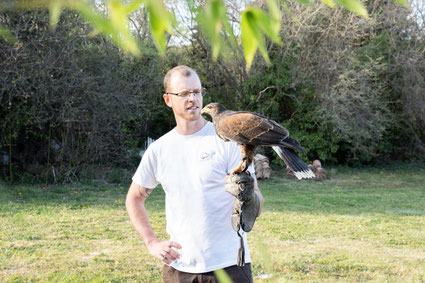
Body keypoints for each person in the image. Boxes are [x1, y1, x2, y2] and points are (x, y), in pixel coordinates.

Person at [126, 65, 264, 283]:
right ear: (168, 100)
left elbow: (257, 202)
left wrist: (249, 198)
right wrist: (152, 242)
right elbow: (134, 198)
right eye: (184, 94)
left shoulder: (228, 141)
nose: (193, 98)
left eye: (197, 92)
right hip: (180, 267)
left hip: (230, 265)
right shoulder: (159, 150)